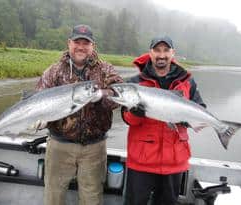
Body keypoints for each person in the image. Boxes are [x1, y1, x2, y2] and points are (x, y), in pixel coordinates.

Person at [35, 24, 123, 205]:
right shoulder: (54, 71)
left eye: (86, 43)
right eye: (77, 42)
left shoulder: (106, 70)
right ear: (69, 43)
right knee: (53, 197)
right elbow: (38, 98)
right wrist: (40, 118)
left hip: (94, 148)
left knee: (92, 199)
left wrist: (100, 96)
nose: (81, 47)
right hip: (59, 145)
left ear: (93, 46)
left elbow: (120, 97)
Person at [122, 36, 206, 205]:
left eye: (166, 50)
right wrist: (136, 113)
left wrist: (187, 121)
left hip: (174, 162)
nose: (161, 55)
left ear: (172, 53)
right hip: (141, 162)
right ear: (150, 53)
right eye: (157, 50)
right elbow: (127, 119)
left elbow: (200, 109)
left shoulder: (187, 82)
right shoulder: (134, 83)